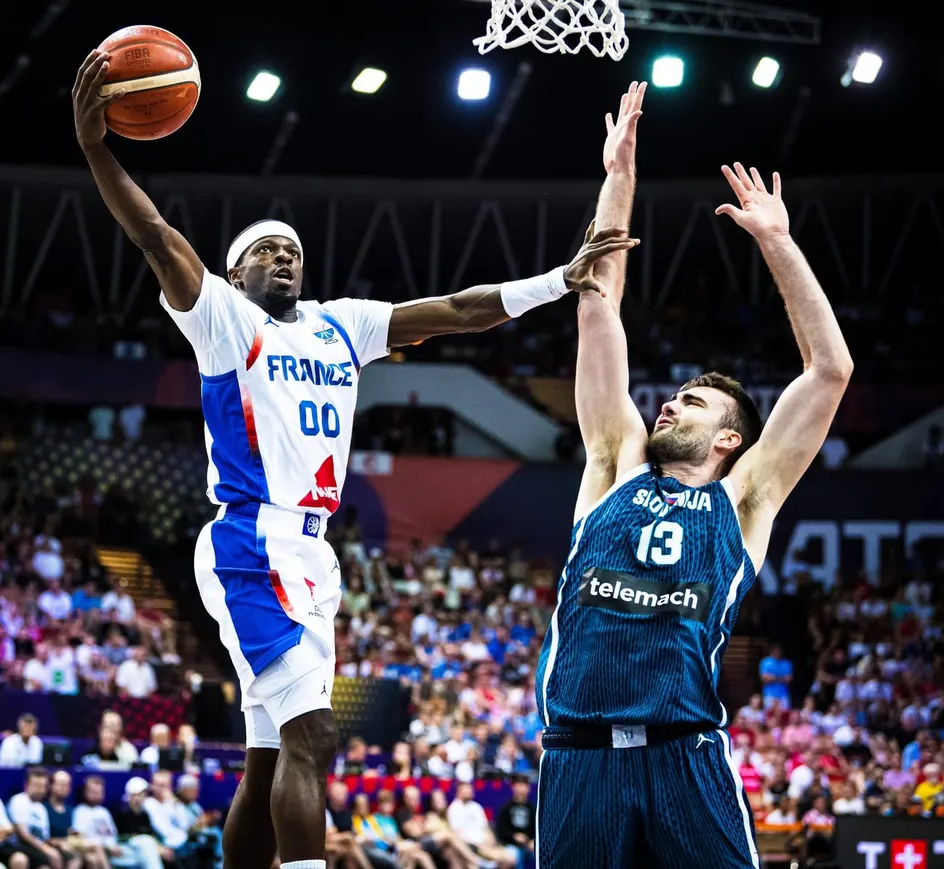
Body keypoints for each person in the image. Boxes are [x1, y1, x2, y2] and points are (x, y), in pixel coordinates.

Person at [71, 49, 634, 869]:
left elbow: (456, 310)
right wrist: (97, 149)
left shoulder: (342, 323)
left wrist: (557, 279)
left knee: (269, 753)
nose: (285, 256)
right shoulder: (224, 320)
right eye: (267, 250)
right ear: (235, 273)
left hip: (311, 551)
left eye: (292, 249)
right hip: (251, 541)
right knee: (315, 734)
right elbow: (156, 237)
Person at [533, 82, 853, 869]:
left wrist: (776, 241)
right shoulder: (613, 461)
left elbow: (829, 369)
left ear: (731, 437)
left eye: (695, 401)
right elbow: (596, 306)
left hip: (687, 755)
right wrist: (619, 179)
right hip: (579, 756)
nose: (671, 401)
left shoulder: (744, 498)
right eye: (674, 396)